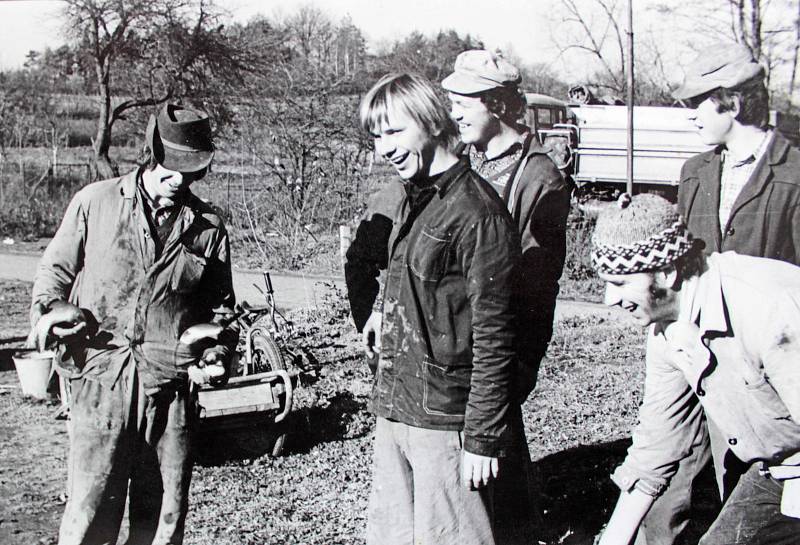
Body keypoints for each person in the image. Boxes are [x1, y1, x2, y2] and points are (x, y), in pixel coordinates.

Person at [29, 103, 237, 545]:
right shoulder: (95, 202)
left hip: (169, 388)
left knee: (162, 517)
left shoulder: (208, 227)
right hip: (101, 379)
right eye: (171, 169)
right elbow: (54, 275)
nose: (179, 180)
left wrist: (217, 353)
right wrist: (50, 310)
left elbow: (220, 312)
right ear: (151, 151)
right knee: (90, 511)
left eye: (190, 171)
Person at [635, 41, 800, 545]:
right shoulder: (696, 172)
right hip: (700, 346)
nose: (691, 116)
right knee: (693, 469)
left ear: (730, 101)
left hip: (770, 364)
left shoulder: (794, 172)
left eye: (699, 103)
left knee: (762, 477)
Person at [358, 72, 521, 545]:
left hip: (444, 422)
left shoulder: (477, 213)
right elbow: (414, 275)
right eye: (376, 137)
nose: (383, 149)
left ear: (430, 121)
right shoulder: (416, 198)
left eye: (393, 132)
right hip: (396, 406)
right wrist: (384, 306)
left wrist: (483, 438)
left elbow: (496, 336)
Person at [590, 193, 800, 545]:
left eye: (621, 283)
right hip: (783, 467)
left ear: (668, 271)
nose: (609, 299)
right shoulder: (667, 331)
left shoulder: (767, 307)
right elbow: (657, 446)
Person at [440, 49, 572, 543]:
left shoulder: (538, 175)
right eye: (451, 102)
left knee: (496, 436)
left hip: (505, 333)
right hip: (461, 329)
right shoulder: (465, 160)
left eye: (464, 103)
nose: (453, 114)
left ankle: (514, 530)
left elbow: (539, 281)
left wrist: (520, 358)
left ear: (496, 103)